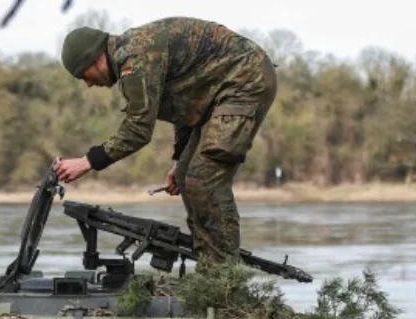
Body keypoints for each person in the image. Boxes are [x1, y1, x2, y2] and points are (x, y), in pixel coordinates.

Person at [54, 18, 277, 264]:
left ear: (95, 59)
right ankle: (210, 267)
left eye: (83, 74)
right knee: (185, 176)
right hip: (220, 92)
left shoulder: (134, 58)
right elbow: (187, 106)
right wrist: (179, 160)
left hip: (245, 82)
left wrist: (88, 162)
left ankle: (223, 277)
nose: (88, 84)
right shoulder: (132, 55)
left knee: (204, 179)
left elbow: (138, 128)